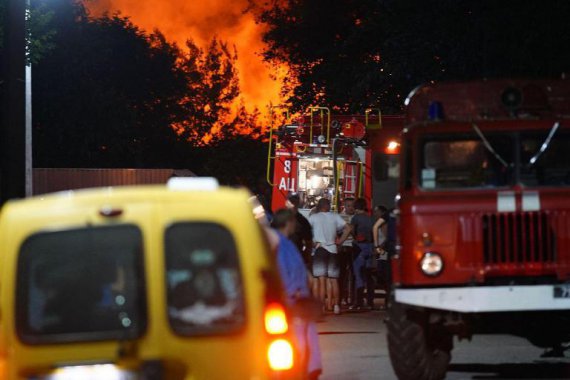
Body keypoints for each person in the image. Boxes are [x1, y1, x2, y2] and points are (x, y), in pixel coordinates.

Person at [272, 209, 322, 380]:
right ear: (288, 223)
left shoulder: (283, 244)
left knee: (302, 346)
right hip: (293, 303)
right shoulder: (281, 246)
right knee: (298, 347)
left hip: (297, 303)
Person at [309, 198, 350, 314]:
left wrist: (312, 243)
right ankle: (336, 306)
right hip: (333, 249)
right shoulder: (335, 216)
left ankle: (321, 306)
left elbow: (307, 231)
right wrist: (340, 241)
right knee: (334, 280)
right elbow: (348, 228)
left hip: (320, 248)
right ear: (328, 206)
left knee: (321, 280)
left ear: (319, 206)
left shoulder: (314, 217)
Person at [339, 198, 374, 310]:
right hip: (369, 247)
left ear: (356, 207)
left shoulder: (355, 218)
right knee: (367, 275)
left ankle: (358, 301)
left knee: (357, 274)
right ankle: (369, 301)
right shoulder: (370, 219)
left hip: (358, 248)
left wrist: (340, 242)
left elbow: (351, 231)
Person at [286, 193, 314, 286]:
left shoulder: (303, 221)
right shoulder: (280, 218)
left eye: (295, 201)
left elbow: (309, 242)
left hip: (296, 257)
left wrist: (307, 258)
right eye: (292, 201)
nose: (293, 204)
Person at [339, 197, 355, 307]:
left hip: (354, 247)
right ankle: (342, 297)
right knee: (342, 274)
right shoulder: (339, 217)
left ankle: (352, 298)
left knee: (353, 275)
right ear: (344, 205)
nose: (350, 208)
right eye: (348, 205)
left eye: (352, 205)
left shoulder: (357, 217)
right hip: (343, 248)